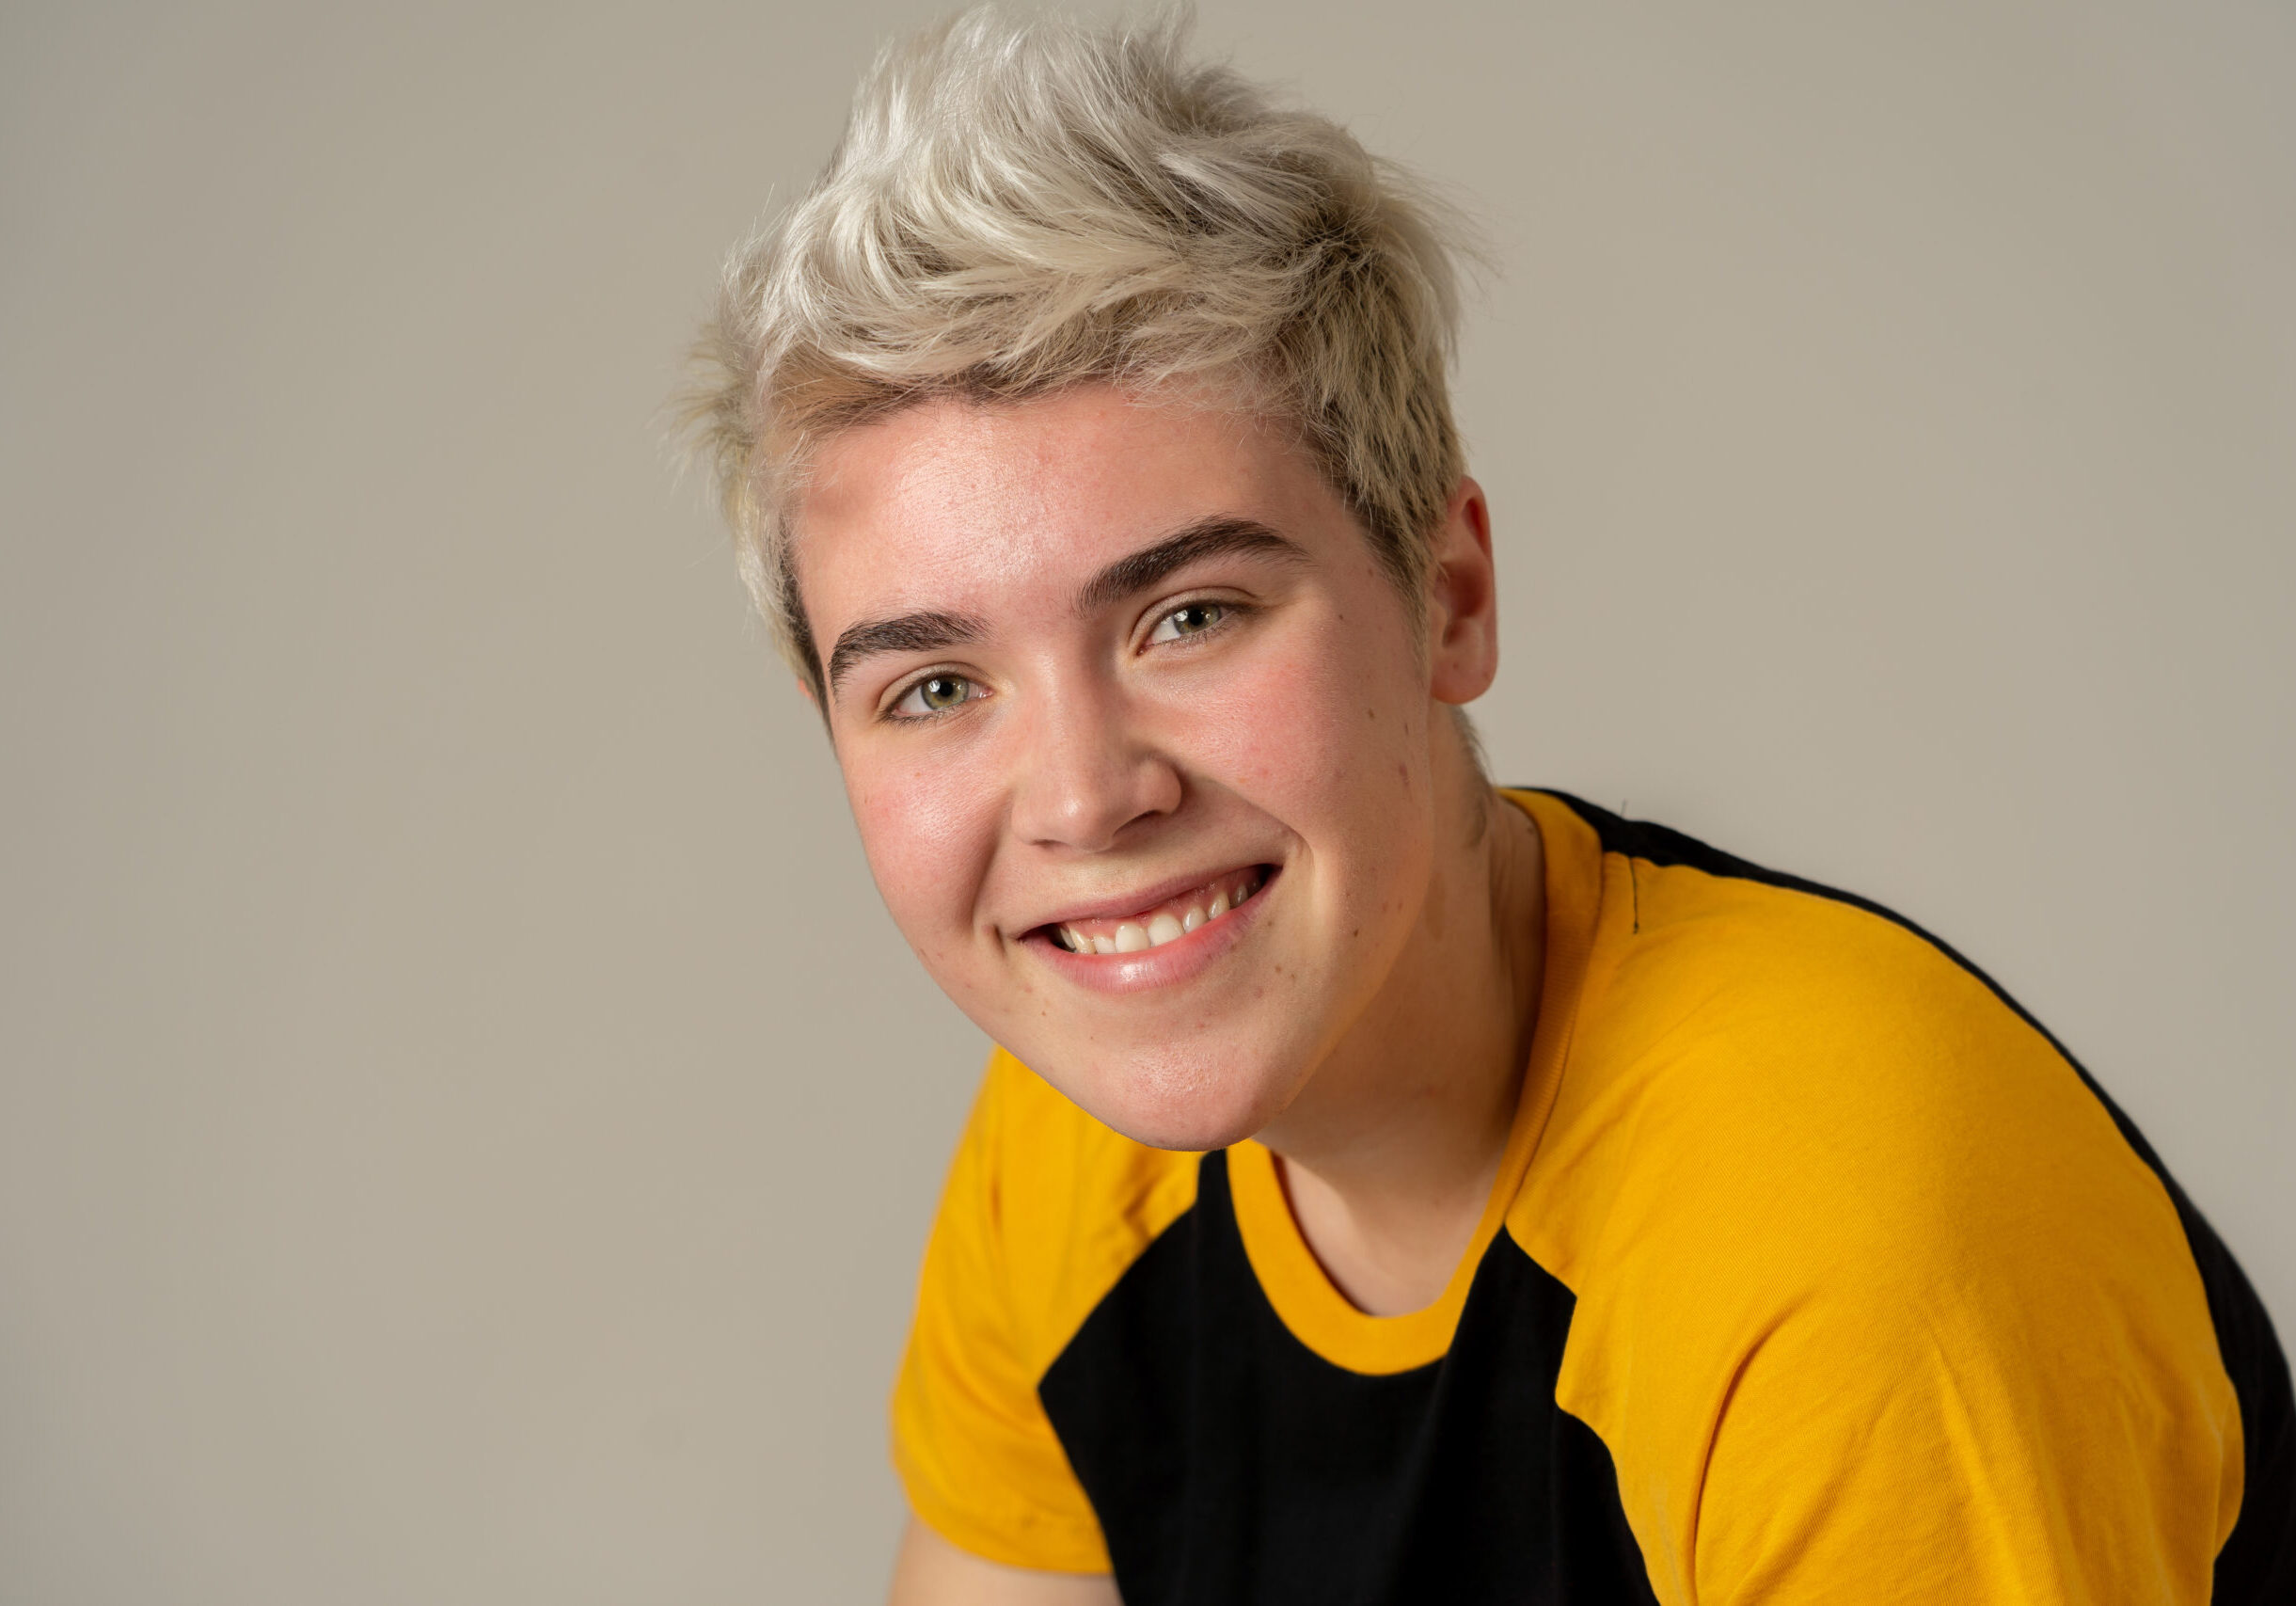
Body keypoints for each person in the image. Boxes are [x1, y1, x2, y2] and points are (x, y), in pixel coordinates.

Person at [680, 8, 2293, 1601]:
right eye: (935, 689)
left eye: (1190, 615)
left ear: (1446, 594)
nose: (1088, 801)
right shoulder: (1079, 1150)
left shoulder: (1845, 1250)